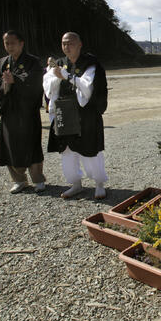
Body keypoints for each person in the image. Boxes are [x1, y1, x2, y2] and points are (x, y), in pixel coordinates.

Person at [44, 32, 108, 199]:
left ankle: (99, 184)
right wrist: (56, 76)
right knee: (67, 150)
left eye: (71, 43)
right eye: (64, 44)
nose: (67, 47)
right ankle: (75, 183)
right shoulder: (59, 63)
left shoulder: (90, 63)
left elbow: (87, 88)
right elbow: (48, 86)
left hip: (85, 113)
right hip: (64, 112)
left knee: (90, 149)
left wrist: (68, 76)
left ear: (80, 44)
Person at [0, 30, 46, 194]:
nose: (9, 46)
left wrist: (16, 81)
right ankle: (19, 180)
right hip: (9, 111)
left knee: (32, 145)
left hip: (27, 111)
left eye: (12, 42)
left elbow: (37, 82)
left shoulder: (32, 62)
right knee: (10, 146)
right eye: (6, 43)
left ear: (21, 43)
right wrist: (5, 84)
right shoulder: (1, 63)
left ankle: (38, 179)